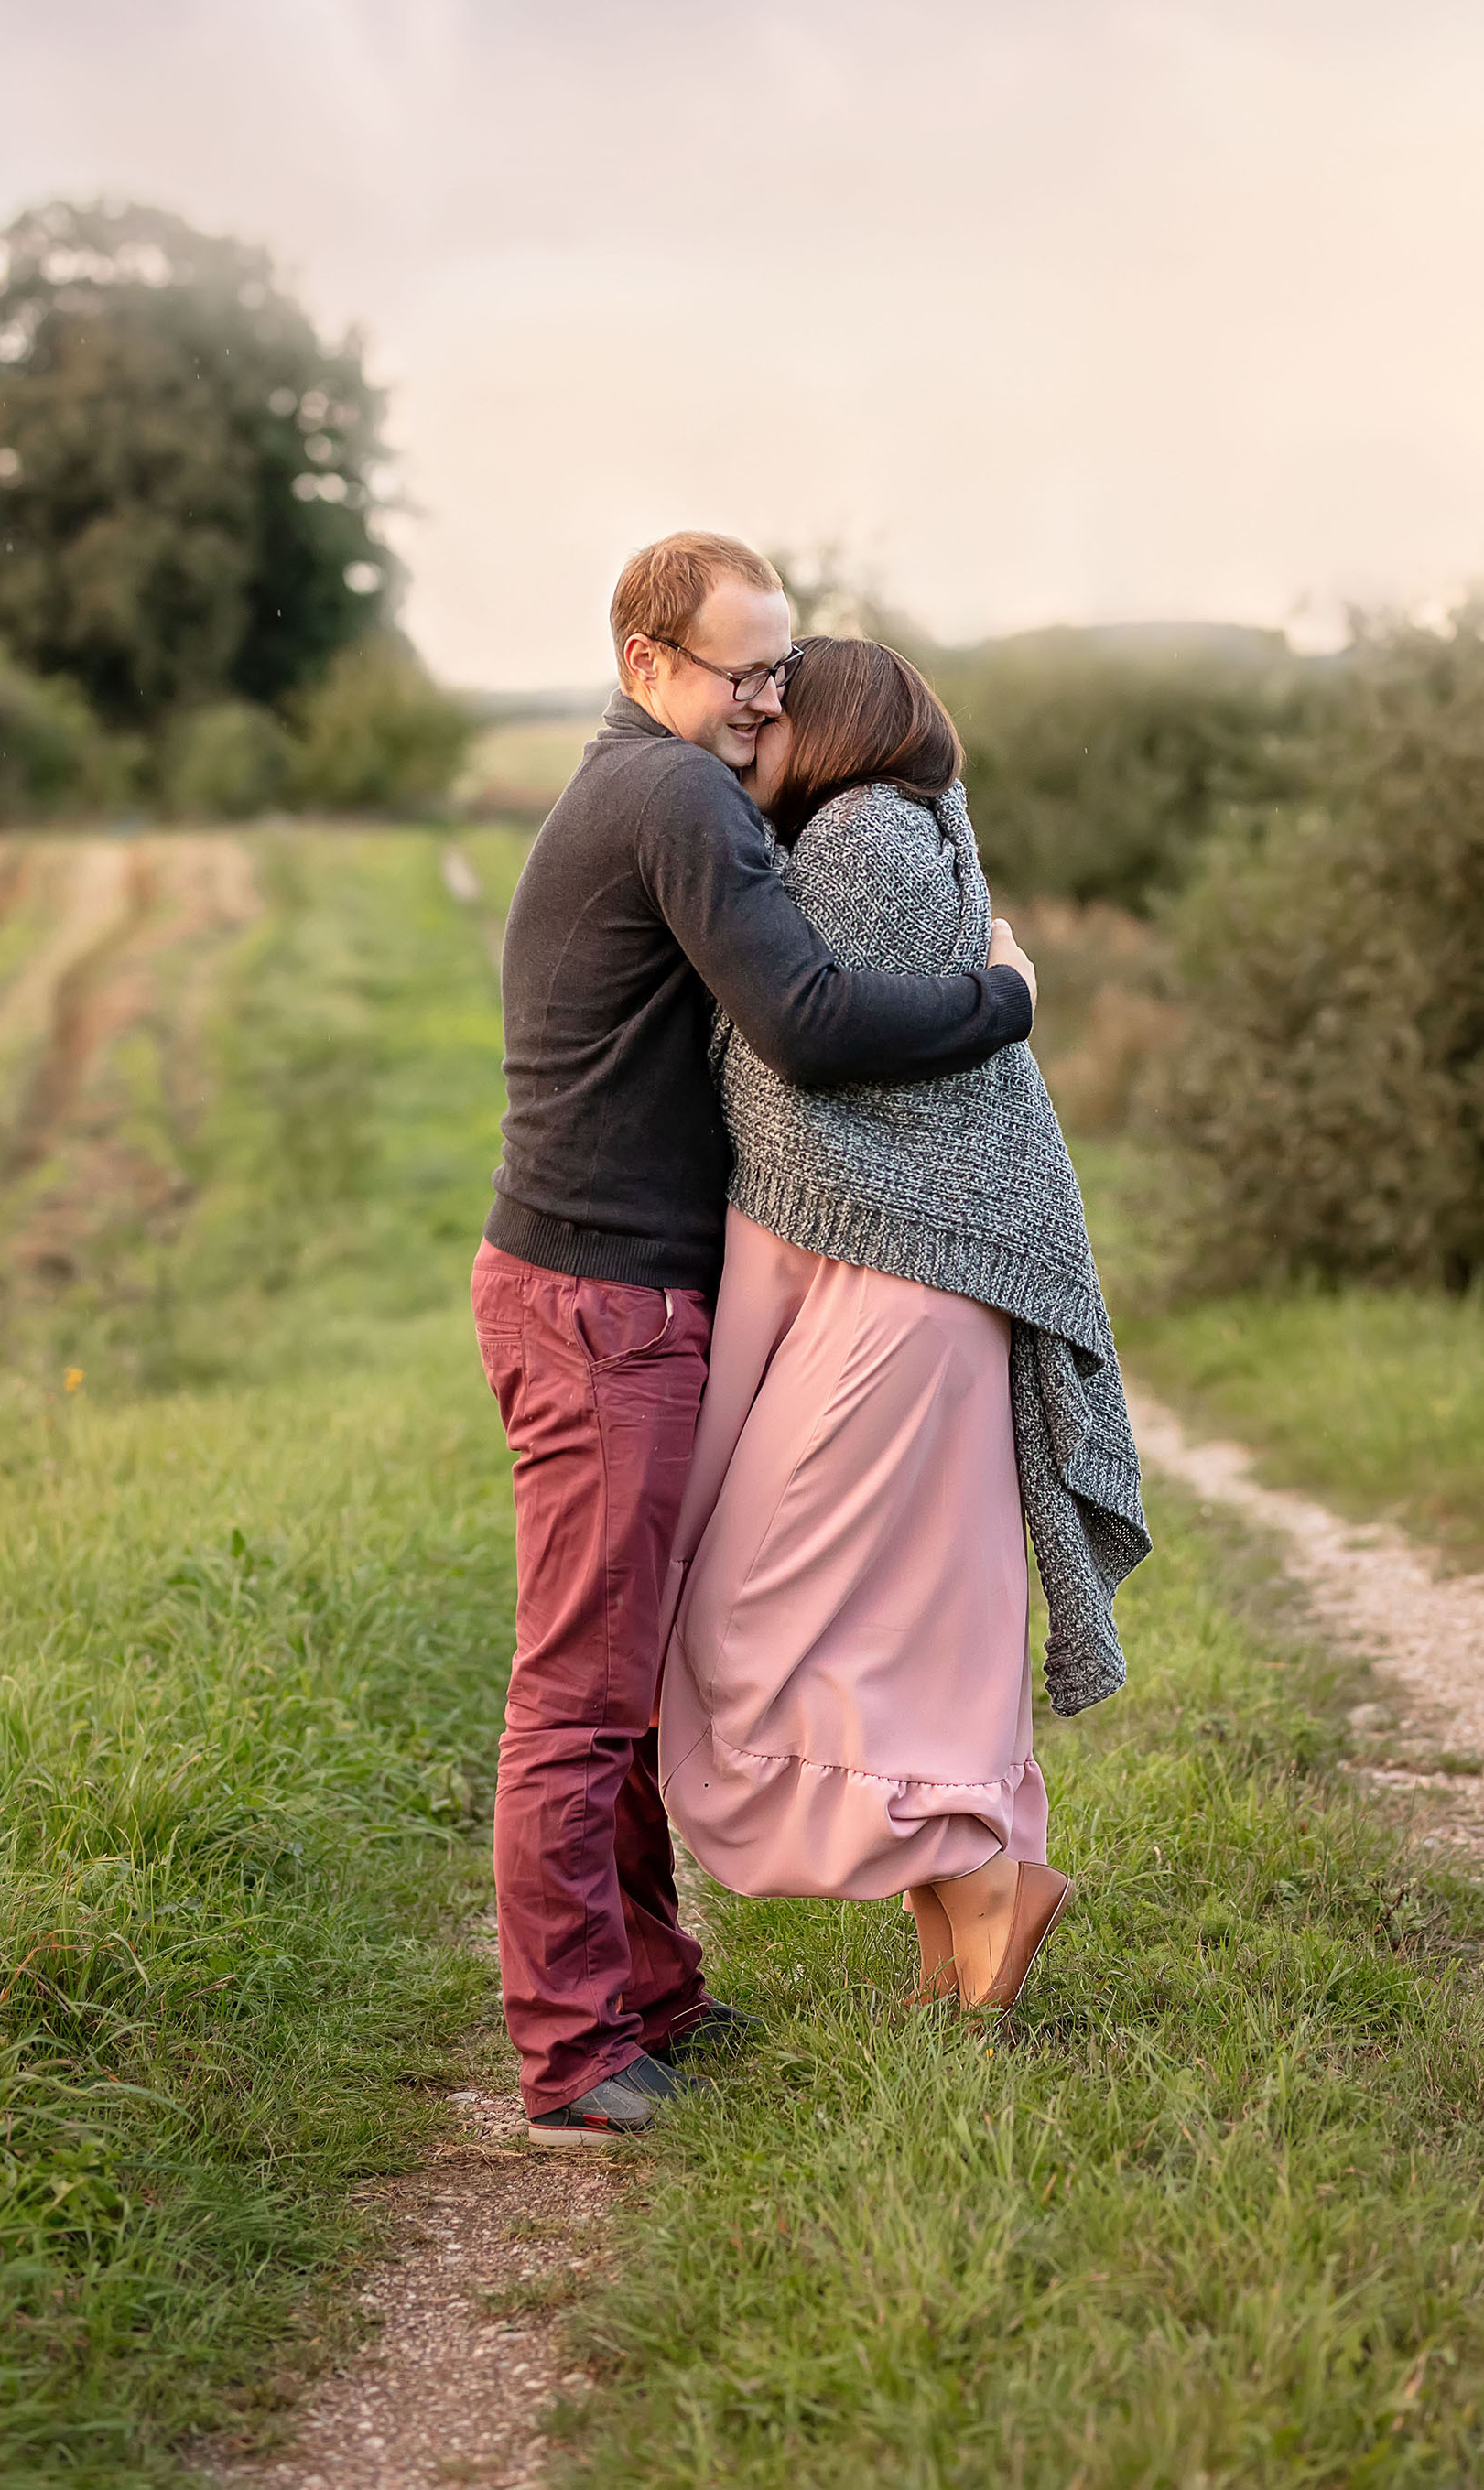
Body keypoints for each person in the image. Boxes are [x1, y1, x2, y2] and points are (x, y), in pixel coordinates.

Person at [470, 535, 1039, 2146]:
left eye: (780, 672)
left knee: (627, 1669)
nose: (768, 702)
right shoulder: (678, 793)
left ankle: (649, 1991)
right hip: (605, 1299)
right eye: (743, 674)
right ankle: (575, 2045)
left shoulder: (634, 781)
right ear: (649, 663)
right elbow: (810, 1020)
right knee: (584, 1689)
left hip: (600, 1284)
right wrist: (1004, 1000)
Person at [658, 636, 1149, 2019]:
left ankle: (984, 1886)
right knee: (915, 1621)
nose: (751, 723)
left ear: (828, 726)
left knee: (757, 1610)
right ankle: (961, 1946)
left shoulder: (864, 834)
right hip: (899, 1291)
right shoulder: (907, 822)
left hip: (891, 1293)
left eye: (773, 706)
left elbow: (817, 1055)